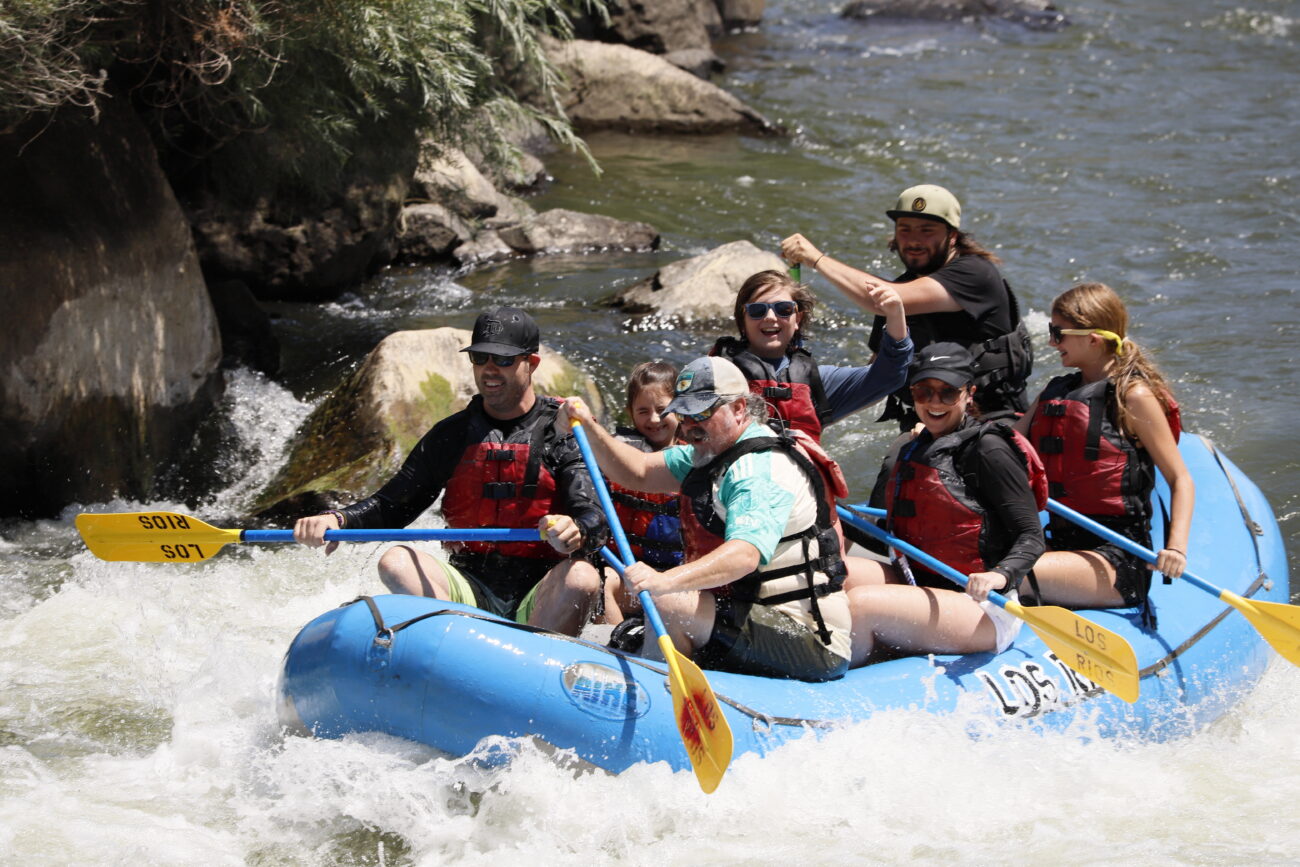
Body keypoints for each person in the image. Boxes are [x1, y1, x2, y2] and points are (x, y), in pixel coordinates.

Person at [293, 307, 609, 636]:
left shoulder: (564, 430)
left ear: (531, 364)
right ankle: (458, 646)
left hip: (544, 586)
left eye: (502, 360)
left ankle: (536, 660)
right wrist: (338, 520)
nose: (489, 369)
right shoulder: (453, 434)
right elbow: (393, 505)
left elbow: (595, 516)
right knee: (396, 560)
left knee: (582, 577)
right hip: (469, 584)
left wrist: (578, 529)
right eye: (481, 358)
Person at [560, 356, 853, 682]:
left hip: (806, 640)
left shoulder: (758, 471)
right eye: (684, 414)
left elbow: (745, 554)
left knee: (671, 602)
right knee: (666, 602)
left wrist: (666, 581)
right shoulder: (711, 452)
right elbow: (638, 472)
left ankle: (656, 696)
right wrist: (588, 425)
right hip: (746, 617)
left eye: (702, 412)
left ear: (740, 408)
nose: (689, 425)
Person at [845, 343, 1046, 667]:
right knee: (834, 573)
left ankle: (833, 690)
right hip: (918, 581)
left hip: (982, 604)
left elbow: (1031, 535)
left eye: (947, 393)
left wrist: (999, 576)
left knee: (862, 604)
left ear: (969, 393)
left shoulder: (989, 450)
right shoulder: (911, 448)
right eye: (923, 392)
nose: (934, 403)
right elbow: (891, 535)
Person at [781, 183, 1033, 427]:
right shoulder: (900, 292)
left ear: (952, 236)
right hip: (924, 427)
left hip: (993, 422)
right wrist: (811, 415)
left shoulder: (974, 273)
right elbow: (876, 375)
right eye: (905, 230)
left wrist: (816, 259)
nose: (913, 240)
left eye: (926, 230)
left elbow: (880, 299)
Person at [1015, 283, 1192, 621]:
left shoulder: (1133, 397)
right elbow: (1004, 445)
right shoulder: (1056, 391)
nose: (1052, 343)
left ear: (1092, 339)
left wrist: (1176, 548)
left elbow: (1180, 478)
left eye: (1058, 333)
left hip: (1117, 559)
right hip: (1060, 542)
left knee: (1006, 572)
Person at [708, 269, 912, 442]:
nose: (770, 317)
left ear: (798, 319)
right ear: (742, 320)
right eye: (757, 310)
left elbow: (889, 376)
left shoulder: (817, 382)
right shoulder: (715, 373)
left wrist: (895, 314)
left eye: (783, 309)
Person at [608, 361, 684, 570]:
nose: (654, 418)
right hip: (624, 565)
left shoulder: (698, 453)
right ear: (630, 412)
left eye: (662, 409)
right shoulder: (619, 451)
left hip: (677, 567)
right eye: (642, 411)